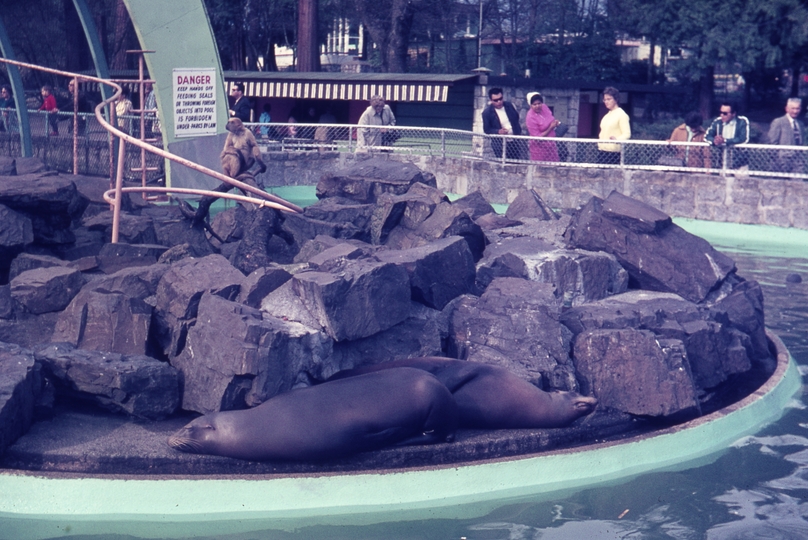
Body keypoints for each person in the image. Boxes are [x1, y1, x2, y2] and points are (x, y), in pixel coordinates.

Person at [481, 87, 523, 160]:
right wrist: (498, 131)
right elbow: (487, 130)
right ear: (491, 101)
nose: (499, 102)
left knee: (516, 164)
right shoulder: (487, 113)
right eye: (496, 100)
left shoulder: (509, 105)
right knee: (502, 164)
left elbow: (516, 117)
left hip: (514, 141)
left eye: (500, 99)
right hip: (499, 144)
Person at [705, 101, 749, 168]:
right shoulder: (717, 121)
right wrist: (715, 141)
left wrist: (725, 141)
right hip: (722, 162)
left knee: (741, 178)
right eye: (720, 112)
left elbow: (743, 138)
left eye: (725, 113)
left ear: (733, 113)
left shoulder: (742, 121)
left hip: (740, 163)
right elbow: (707, 136)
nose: (721, 115)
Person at [767, 98, 805, 173]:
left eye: (797, 108)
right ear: (786, 109)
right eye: (793, 108)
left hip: (797, 161)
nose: (795, 111)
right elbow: (772, 142)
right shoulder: (778, 122)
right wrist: (776, 160)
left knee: (799, 182)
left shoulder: (800, 124)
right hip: (781, 161)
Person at [597, 86, 630, 165]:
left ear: (616, 99)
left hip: (613, 153)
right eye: (605, 99)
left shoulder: (622, 115)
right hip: (601, 151)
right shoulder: (607, 115)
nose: (606, 102)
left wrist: (617, 140)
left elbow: (627, 133)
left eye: (609, 99)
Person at [525, 92, 560, 162]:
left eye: (539, 103)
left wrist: (555, 123)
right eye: (534, 104)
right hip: (539, 149)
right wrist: (550, 127)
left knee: (554, 166)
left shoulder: (544, 107)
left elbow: (550, 118)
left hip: (551, 146)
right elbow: (537, 137)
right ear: (530, 105)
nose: (537, 106)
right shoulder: (530, 117)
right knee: (540, 169)